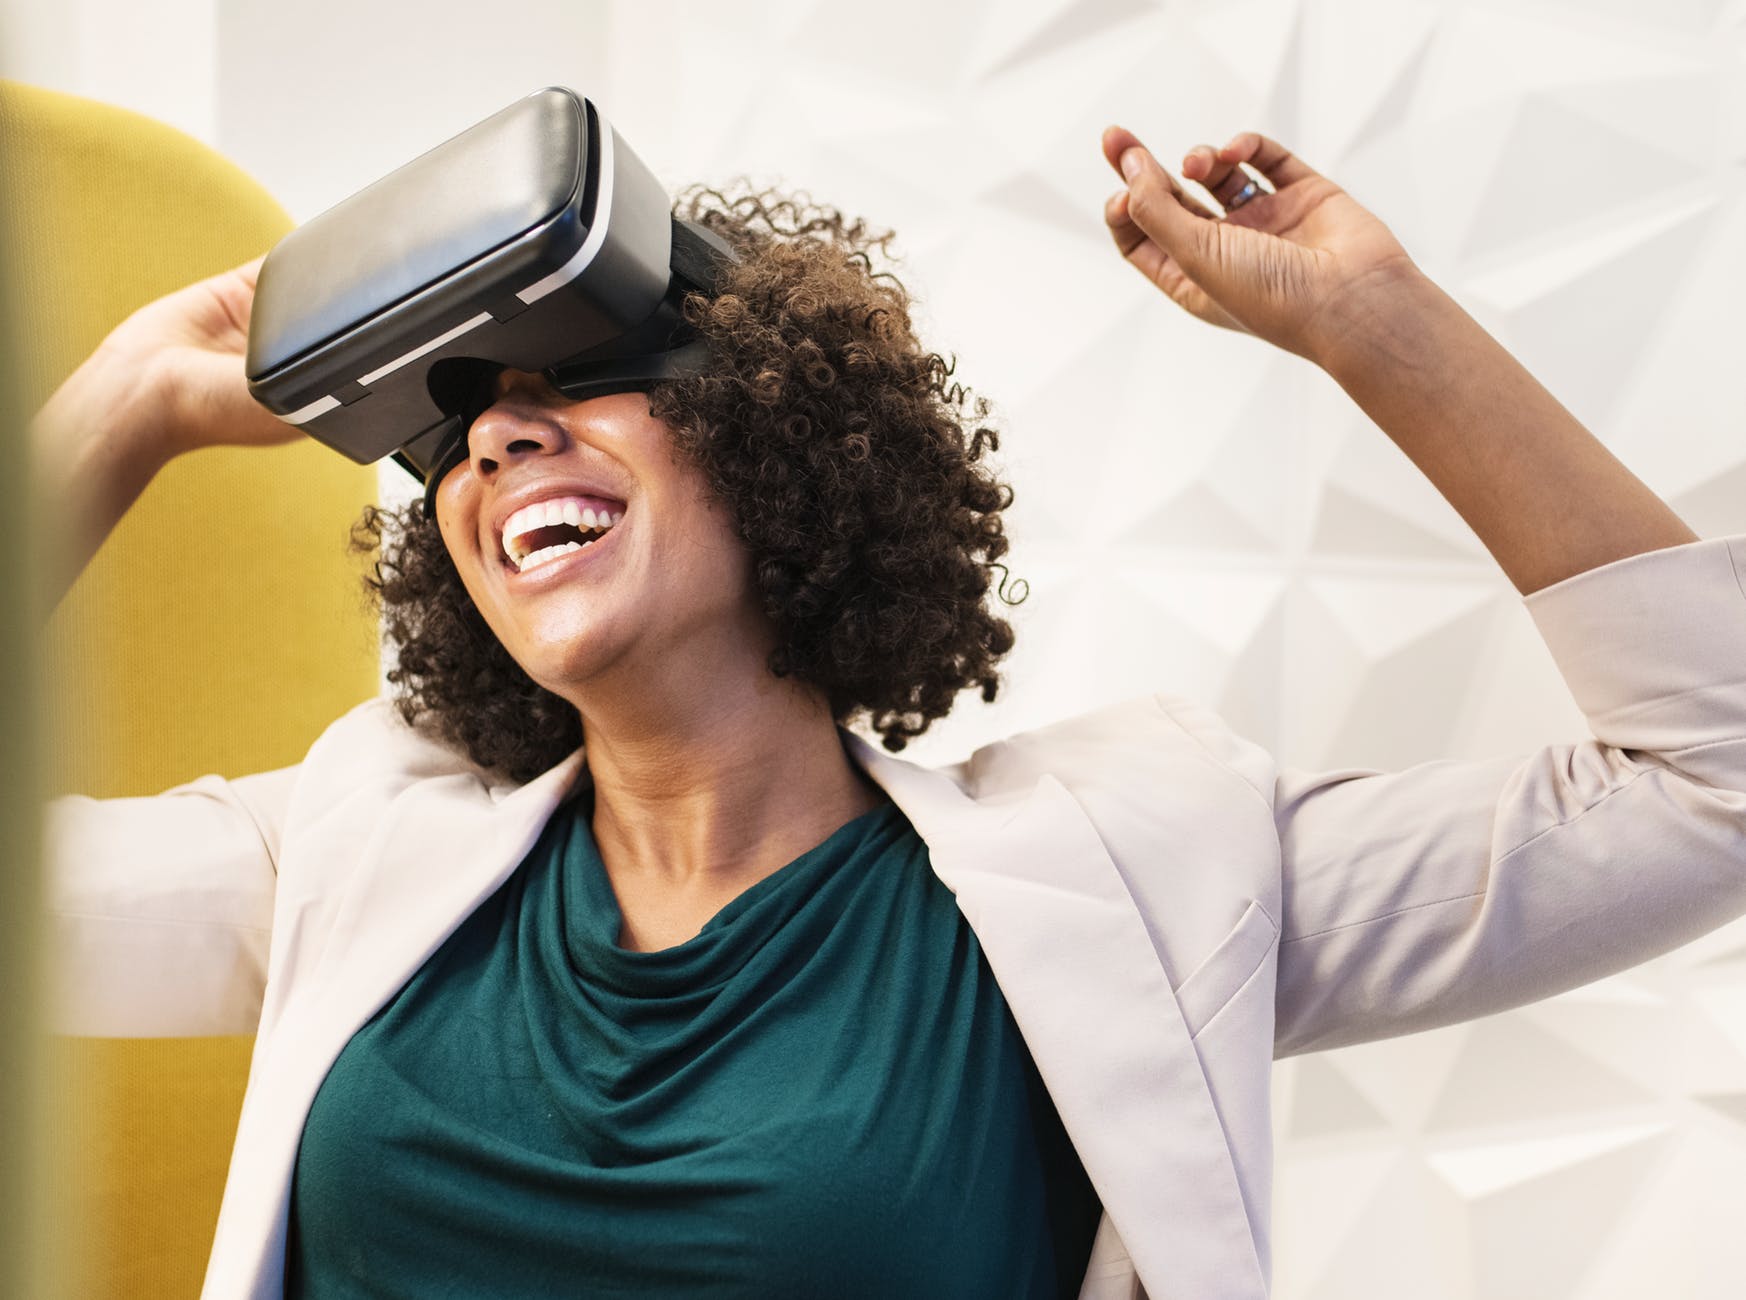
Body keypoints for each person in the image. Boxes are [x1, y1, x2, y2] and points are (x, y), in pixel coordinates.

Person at [35, 126, 1746, 1300]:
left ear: (788, 440)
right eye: (463, 426)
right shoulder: (344, 844)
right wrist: (120, 405)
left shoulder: (1133, 875)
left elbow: (1710, 777)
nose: (497, 437)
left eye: (581, 380)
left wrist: (1372, 324)